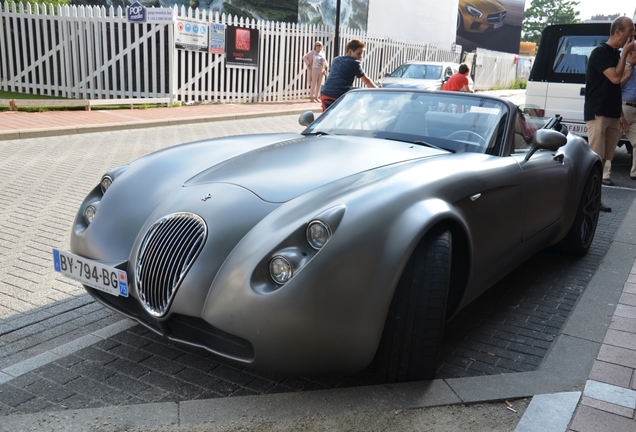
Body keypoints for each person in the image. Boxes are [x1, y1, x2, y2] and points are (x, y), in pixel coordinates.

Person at [584, 16, 636, 212]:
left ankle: (595, 200)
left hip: (613, 114)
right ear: (618, 32)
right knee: (594, 161)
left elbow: (617, 87)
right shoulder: (600, 53)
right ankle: (585, 200)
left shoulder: (615, 54)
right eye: (630, 30)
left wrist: (621, 114)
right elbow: (615, 78)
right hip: (598, 113)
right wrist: (624, 55)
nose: (633, 34)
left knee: (605, 159)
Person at [320, 39, 379, 112]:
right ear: (350, 52)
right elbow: (366, 80)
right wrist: (377, 89)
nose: (361, 56)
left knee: (325, 115)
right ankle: (356, 119)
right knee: (362, 96)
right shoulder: (355, 63)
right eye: (359, 53)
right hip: (339, 95)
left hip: (325, 93)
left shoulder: (336, 59)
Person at [621, 49, 636, 179]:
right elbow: (614, 87)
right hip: (623, 107)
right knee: (612, 141)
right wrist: (626, 75)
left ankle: (635, 173)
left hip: (635, 109)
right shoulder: (621, 66)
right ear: (630, 53)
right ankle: (605, 174)